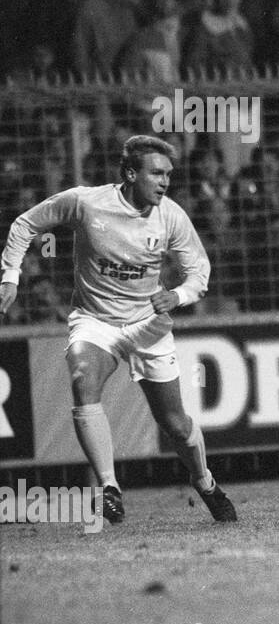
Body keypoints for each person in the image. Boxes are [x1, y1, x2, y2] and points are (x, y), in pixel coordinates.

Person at [0, 135, 237, 524]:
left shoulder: (171, 217)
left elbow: (199, 272)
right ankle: (109, 488)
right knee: (82, 376)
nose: (164, 182)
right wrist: (11, 276)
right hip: (96, 320)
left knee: (175, 425)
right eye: (156, 173)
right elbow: (26, 223)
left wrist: (175, 297)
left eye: (168, 175)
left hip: (148, 324)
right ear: (130, 173)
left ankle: (205, 482)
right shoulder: (86, 202)